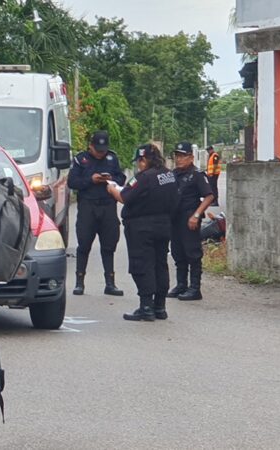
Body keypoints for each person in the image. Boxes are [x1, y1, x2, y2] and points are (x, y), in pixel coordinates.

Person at [107, 144, 179, 321]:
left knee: (143, 265)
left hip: (141, 227)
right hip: (163, 224)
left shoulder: (144, 178)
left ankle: (146, 307)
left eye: (139, 161)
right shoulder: (169, 175)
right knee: (160, 264)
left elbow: (124, 197)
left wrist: (112, 189)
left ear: (143, 159)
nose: (138, 165)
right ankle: (160, 307)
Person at [67, 131, 127, 296]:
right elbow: (72, 182)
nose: (101, 153)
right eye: (98, 150)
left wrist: (110, 179)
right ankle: (79, 283)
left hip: (108, 206)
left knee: (109, 246)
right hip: (88, 206)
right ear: (90, 146)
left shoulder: (112, 158)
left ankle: (110, 283)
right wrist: (90, 180)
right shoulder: (81, 159)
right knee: (84, 244)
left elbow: (121, 178)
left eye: (104, 150)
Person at [167, 142, 215, 301]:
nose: (179, 159)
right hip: (175, 218)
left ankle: (195, 288)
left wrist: (196, 215)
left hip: (190, 218)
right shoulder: (173, 174)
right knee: (177, 252)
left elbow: (209, 196)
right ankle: (181, 285)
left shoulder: (197, 175)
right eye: (177, 156)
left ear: (191, 157)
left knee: (192, 253)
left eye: (182, 156)